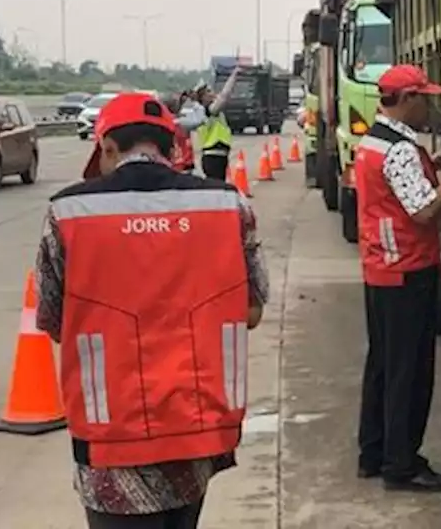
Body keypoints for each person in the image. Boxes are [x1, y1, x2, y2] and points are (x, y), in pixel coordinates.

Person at [34, 92, 269, 529]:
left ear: (106, 147)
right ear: (173, 145)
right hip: (199, 426)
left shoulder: (67, 212)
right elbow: (251, 312)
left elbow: (52, 322)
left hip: (112, 436)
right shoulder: (227, 205)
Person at [354, 64, 441, 493]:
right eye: (425, 98)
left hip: (381, 268)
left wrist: (429, 167)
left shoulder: (376, 141)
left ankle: (375, 452)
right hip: (407, 269)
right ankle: (402, 465)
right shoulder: (400, 150)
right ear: (406, 100)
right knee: (411, 371)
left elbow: (394, 190)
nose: (430, 106)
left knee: (383, 365)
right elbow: (422, 211)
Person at [182, 67, 242, 181]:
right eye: (208, 91)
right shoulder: (209, 111)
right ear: (203, 98)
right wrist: (234, 77)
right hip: (213, 158)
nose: (213, 93)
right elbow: (224, 96)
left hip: (218, 157)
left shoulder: (207, 111)